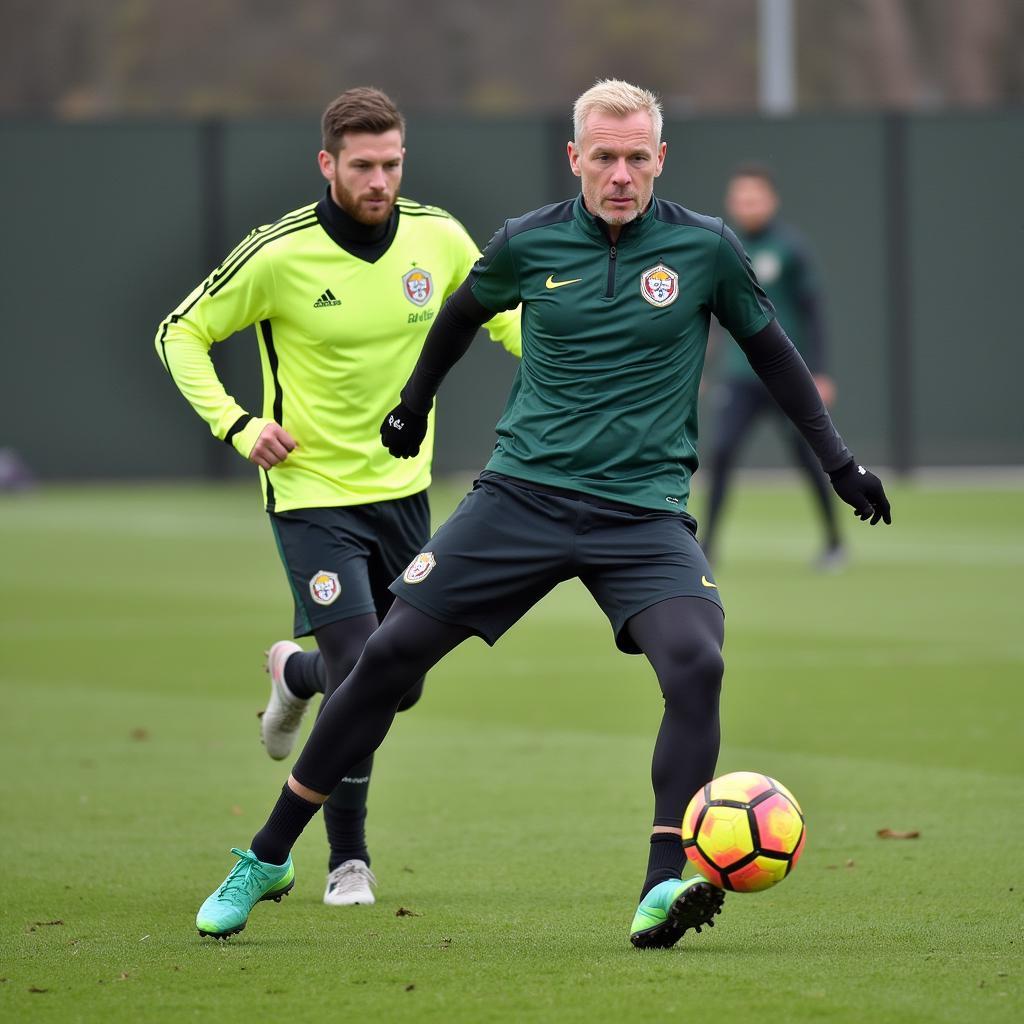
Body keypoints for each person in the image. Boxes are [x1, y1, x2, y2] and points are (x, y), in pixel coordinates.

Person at [194, 79, 890, 947]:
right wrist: (412, 404)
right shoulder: (528, 241)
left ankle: (661, 884)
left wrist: (839, 464)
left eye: (638, 156)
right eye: (605, 156)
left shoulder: (703, 249)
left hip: (642, 517)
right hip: (519, 498)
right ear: (576, 159)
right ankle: (267, 856)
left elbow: (775, 353)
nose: (622, 173)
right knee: (386, 659)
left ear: (661, 159)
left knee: (697, 664)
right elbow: (458, 314)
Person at [157, 87, 520, 909]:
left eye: (392, 163)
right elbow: (178, 331)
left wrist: (569, 376)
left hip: (404, 492)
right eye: (363, 165)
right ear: (328, 164)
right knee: (366, 666)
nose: (379, 180)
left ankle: (295, 670)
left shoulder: (439, 237)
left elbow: (508, 319)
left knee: (401, 678)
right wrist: (238, 424)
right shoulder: (278, 253)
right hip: (311, 493)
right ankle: (345, 859)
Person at [701, 164, 843, 569]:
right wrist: (699, 369)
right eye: (741, 197)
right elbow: (707, 315)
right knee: (722, 451)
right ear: (732, 202)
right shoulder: (722, 247)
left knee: (809, 455)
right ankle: (707, 547)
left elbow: (813, 312)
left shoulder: (790, 248)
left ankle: (834, 541)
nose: (748, 204)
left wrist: (820, 372)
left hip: (787, 376)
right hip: (740, 377)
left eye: (755, 196)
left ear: (771, 200)